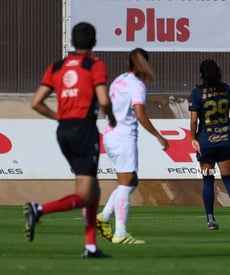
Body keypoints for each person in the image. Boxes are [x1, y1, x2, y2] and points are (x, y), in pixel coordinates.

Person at [24, 22, 116, 258]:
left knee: (93, 190)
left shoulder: (56, 67)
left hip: (63, 131)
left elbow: (36, 102)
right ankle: (39, 209)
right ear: (94, 43)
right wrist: (112, 117)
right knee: (85, 194)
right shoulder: (94, 65)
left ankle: (91, 246)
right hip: (84, 129)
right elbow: (104, 101)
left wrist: (59, 117)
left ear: (72, 42)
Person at [96, 48, 169, 244]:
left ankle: (104, 216)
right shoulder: (137, 85)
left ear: (129, 64)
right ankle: (120, 233)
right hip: (124, 137)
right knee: (125, 183)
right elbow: (140, 114)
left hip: (110, 134)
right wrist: (158, 136)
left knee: (131, 181)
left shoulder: (119, 80)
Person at [188, 59, 230, 231]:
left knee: (208, 180)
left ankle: (211, 220)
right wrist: (228, 121)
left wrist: (193, 138)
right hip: (225, 141)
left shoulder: (197, 93)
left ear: (201, 75)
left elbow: (193, 120)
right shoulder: (227, 89)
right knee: (228, 179)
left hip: (206, 143)